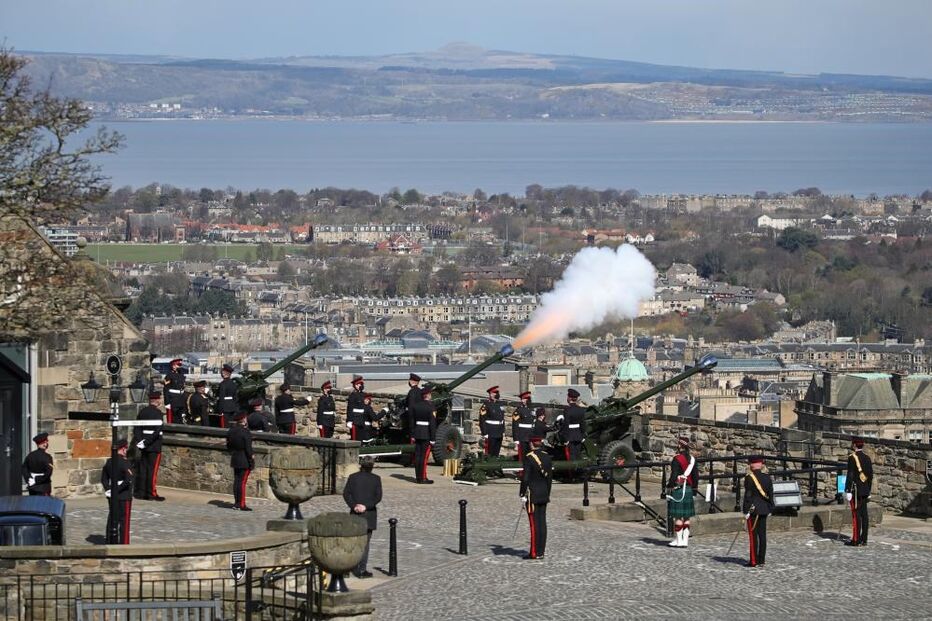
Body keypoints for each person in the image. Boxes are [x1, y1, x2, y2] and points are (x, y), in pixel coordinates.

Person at [343, 456, 382, 579]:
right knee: (365, 544)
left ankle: (346, 569)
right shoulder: (376, 479)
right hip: (368, 514)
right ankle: (361, 570)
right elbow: (378, 497)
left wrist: (354, 506)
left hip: (355, 514)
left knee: (352, 542)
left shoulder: (353, 477)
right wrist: (366, 506)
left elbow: (346, 493)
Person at [520, 436, 553, 560]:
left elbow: (526, 478)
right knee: (542, 523)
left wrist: (522, 494)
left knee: (534, 525)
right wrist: (547, 493)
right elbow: (549, 479)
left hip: (533, 494)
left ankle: (534, 552)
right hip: (544, 493)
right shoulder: (547, 457)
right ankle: (541, 551)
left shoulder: (529, 458)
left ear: (532, 444)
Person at [133, 391, 165, 501]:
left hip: (143, 445)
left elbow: (136, 428)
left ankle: (141, 492)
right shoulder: (158, 413)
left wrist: (140, 441)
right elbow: (157, 432)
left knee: (143, 469)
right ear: (157, 400)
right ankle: (151, 493)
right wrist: (146, 442)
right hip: (154, 445)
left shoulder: (142, 412)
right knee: (152, 471)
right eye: (159, 399)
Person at [666, 437, 698, 548]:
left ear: (680, 446)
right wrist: (694, 490)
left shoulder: (677, 459)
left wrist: (669, 486)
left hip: (678, 489)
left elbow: (674, 475)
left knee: (678, 517)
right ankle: (684, 541)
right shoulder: (692, 459)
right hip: (689, 489)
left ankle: (679, 541)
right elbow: (695, 476)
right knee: (687, 517)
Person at [742, 456, 774, 568]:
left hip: (753, 510)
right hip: (764, 508)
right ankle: (761, 559)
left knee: (753, 536)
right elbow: (770, 495)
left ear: (752, 465)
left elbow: (748, 496)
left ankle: (753, 561)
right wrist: (770, 508)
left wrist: (745, 510)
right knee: (762, 535)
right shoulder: (767, 477)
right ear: (761, 464)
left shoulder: (749, 478)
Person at [101, 438, 134, 544]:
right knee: (124, 521)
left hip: (112, 495)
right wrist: (117, 490)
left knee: (112, 518)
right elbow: (128, 480)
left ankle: (110, 540)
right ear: (123, 449)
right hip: (123, 495)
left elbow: (104, 478)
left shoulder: (109, 462)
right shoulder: (125, 462)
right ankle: (124, 543)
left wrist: (108, 489)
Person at [845, 437, 874, 547]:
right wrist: (869, 490)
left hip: (856, 490)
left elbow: (850, 474)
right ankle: (864, 539)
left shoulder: (852, 458)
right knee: (864, 515)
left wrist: (848, 490)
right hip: (865, 490)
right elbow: (870, 476)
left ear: (854, 445)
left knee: (856, 515)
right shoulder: (867, 458)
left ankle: (856, 540)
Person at [227, 412, 254, 511]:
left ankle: (236, 503)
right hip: (244, 459)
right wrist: (251, 460)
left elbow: (229, 446)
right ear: (243, 420)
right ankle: (241, 504)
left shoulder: (231, 431)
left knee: (237, 481)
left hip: (235, 458)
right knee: (242, 482)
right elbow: (248, 449)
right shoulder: (245, 432)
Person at [411, 386, 436, 484]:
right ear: (428, 395)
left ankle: (418, 477)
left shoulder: (416, 406)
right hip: (426, 433)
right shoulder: (431, 406)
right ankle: (423, 477)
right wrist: (433, 438)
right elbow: (432, 424)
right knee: (424, 457)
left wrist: (413, 434)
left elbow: (412, 421)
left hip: (417, 432)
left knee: (417, 455)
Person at [557, 388, 586, 461]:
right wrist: (582, 436)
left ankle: (573, 472)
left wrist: (565, 438)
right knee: (578, 455)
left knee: (571, 457)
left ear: (569, 398)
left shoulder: (567, 410)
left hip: (570, 436)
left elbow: (566, 425)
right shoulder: (581, 410)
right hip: (578, 436)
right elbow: (582, 424)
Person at [480, 386, 505, 457]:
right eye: (494, 393)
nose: (496, 394)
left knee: (497, 452)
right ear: (490, 394)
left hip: (499, 431)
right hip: (490, 431)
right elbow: (482, 420)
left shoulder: (500, 405)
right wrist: (484, 433)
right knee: (489, 453)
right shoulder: (486, 405)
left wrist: (503, 430)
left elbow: (502, 419)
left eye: (497, 392)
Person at [162, 358, 187, 424]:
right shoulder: (169, 375)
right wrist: (167, 402)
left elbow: (183, 388)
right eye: (178, 365)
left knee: (181, 418)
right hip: (173, 399)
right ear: (173, 366)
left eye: (180, 365)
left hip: (181, 399)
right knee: (173, 419)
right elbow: (166, 389)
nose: (180, 366)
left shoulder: (181, 375)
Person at [512, 391, 534, 461]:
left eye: (526, 399)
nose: (524, 400)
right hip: (522, 436)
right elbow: (515, 425)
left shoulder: (532, 410)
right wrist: (516, 439)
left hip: (531, 436)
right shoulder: (518, 410)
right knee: (523, 456)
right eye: (523, 399)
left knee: (531, 456)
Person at [215, 364, 239, 428]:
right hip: (232, 408)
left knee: (224, 426)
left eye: (222, 372)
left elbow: (221, 398)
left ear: (224, 373)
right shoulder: (233, 384)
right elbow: (235, 398)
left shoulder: (223, 384)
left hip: (224, 409)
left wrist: (220, 410)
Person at [346, 376, 366, 441]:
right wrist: (349, 420)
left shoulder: (364, 395)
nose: (360, 385)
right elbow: (350, 408)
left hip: (362, 419)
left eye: (361, 384)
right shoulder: (353, 395)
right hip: (355, 419)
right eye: (358, 384)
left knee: (361, 437)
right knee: (355, 438)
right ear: (355, 386)